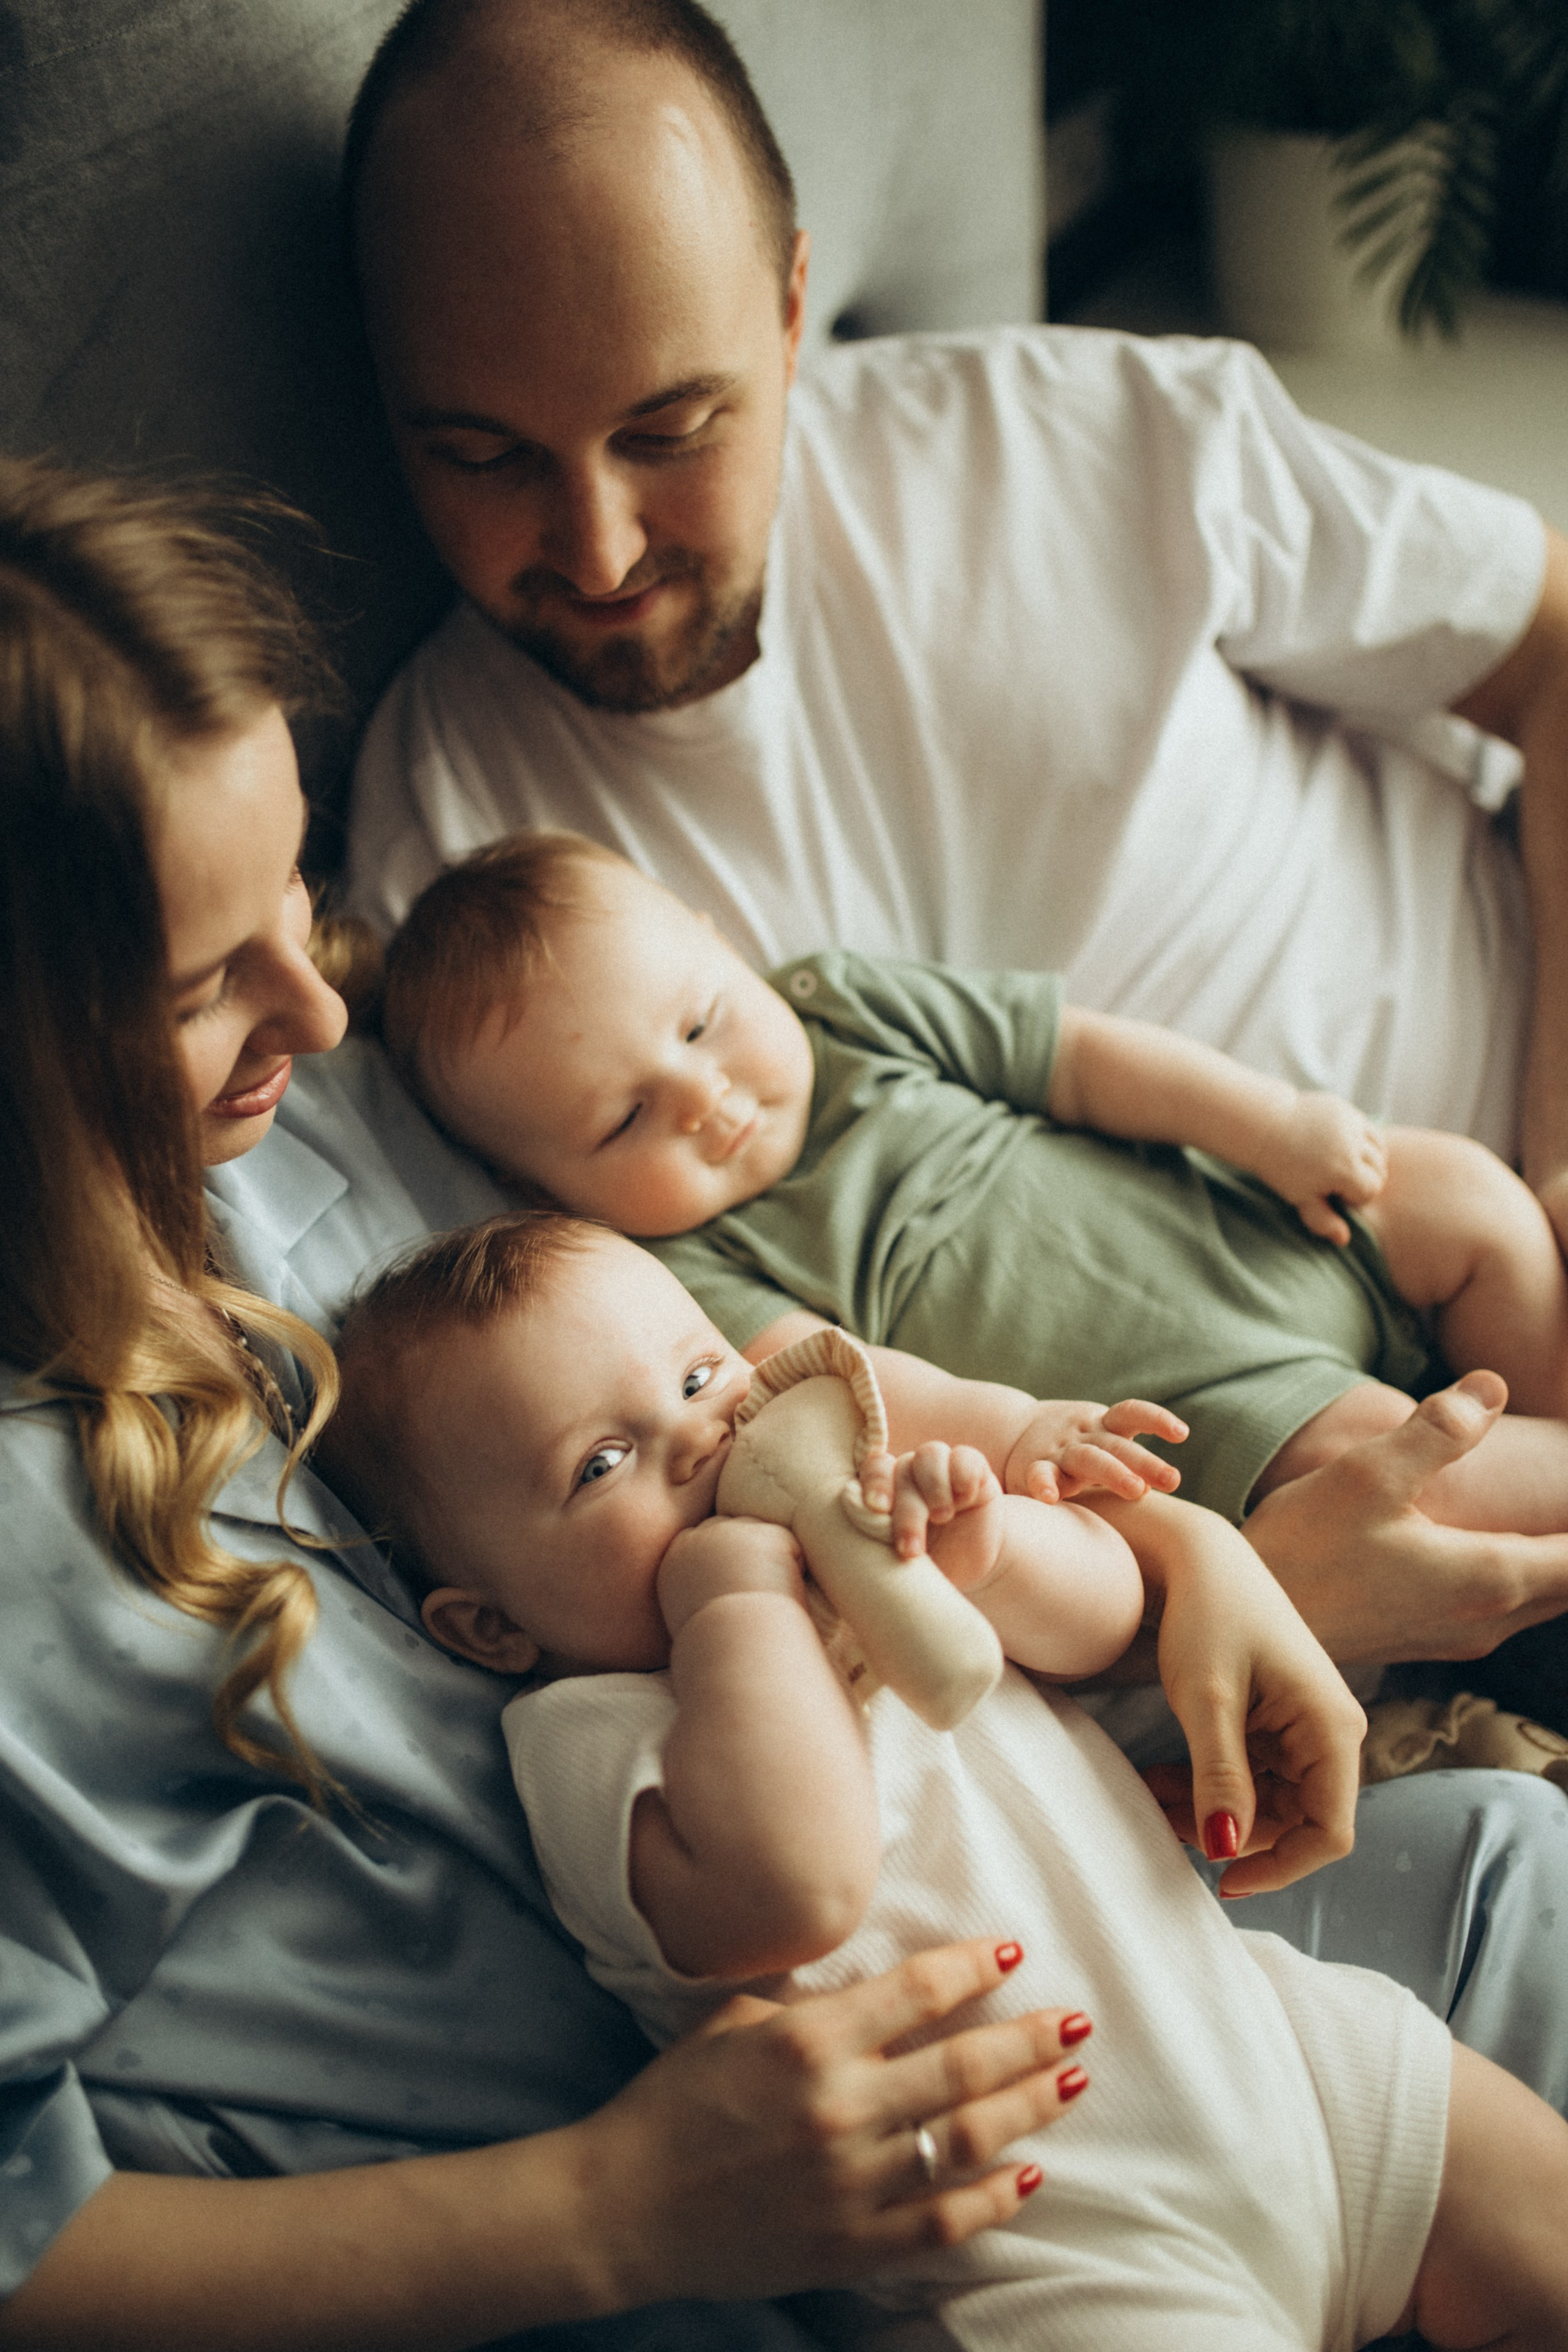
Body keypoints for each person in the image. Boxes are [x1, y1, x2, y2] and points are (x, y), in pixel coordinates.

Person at [0, 453, 1102, 2352]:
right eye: (202, 980)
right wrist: (616, 2215)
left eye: (304, 881)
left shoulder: (322, 1107)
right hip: (577, 2225)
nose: (320, 1004)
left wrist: (1181, 1547)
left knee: (1510, 1878)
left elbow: (757, 1359)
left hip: (1001, 1877)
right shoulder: (39, 1546)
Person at [337, 0, 1568, 1682]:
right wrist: (1224, 1587)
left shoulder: (1085, 435)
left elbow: (1553, 656)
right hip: (1242, 1478)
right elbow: (709, 1465)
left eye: (669, 430)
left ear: (788, 308)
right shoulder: (441, 849)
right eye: (476, 454)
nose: (600, 544)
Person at [320, 1212, 1568, 2351]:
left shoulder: (881, 1550)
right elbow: (793, 1889)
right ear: (491, 1629)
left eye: (702, 1377)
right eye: (602, 1464)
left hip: (1290, 2057)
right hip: (1052, 2254)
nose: (704, 1439)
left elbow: (1096, 1624)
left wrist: (980, 1547)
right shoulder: (586, 1733)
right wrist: (742, 1602)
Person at [380, 831, 1568, 1539]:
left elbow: (1081, 1062)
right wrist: (1015, 1431)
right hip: (1204, 1395)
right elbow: (855, 1387)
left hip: (1245, 1213)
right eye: (623, 1118)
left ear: (719, 939)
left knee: (1465, 1196)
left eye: (700, 1019)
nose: (699, 1095)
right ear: (541, 1188)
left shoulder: (836, 1005)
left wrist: (1271, 1126)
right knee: (1406, 1462)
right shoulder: (678, 1276)